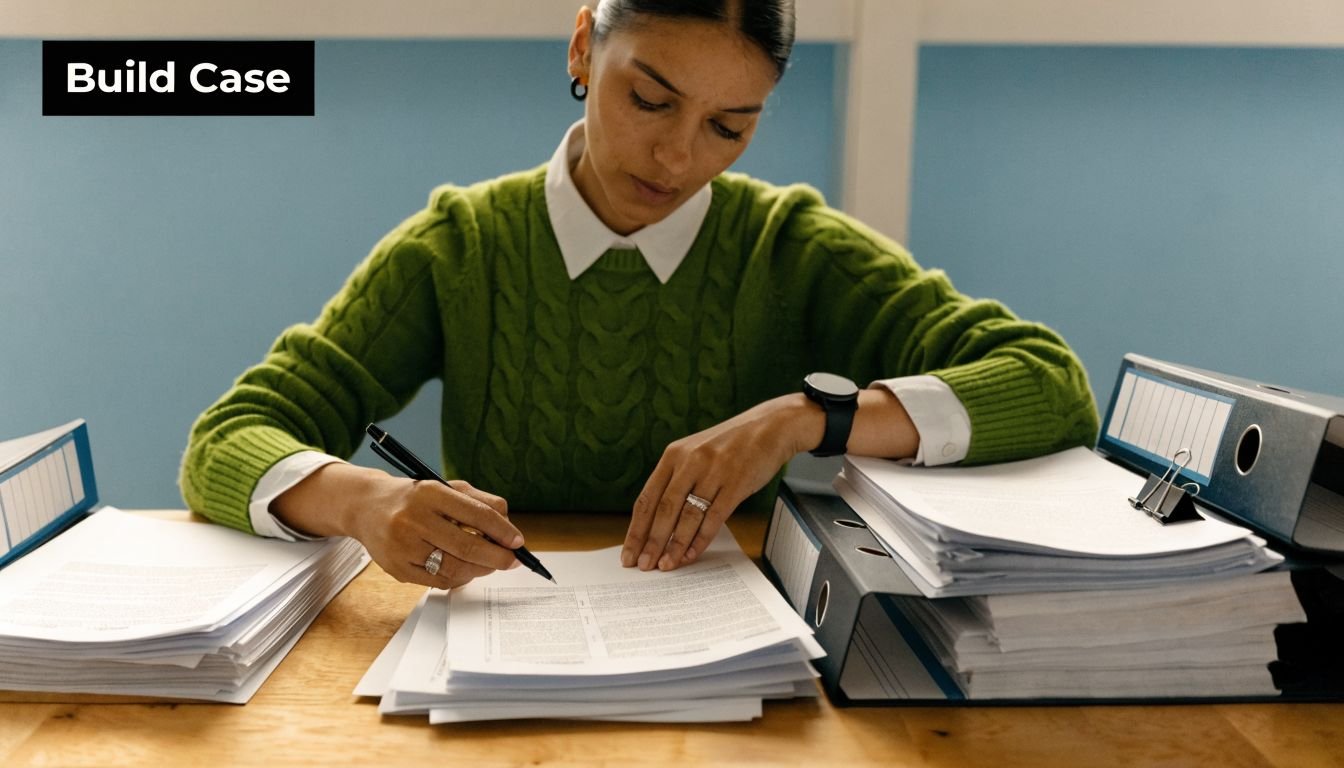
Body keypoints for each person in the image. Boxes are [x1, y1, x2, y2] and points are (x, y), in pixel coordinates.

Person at [180, 0, 1099, 591]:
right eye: (650, 100)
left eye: (728, 127)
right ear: (585, 47)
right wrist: (366, 503)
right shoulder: (462, 248)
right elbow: (228, 437)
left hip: (737, 674)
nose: (678, 158)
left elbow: (1051, 384)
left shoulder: (791, 250)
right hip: (497, 663)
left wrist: (802, 420)